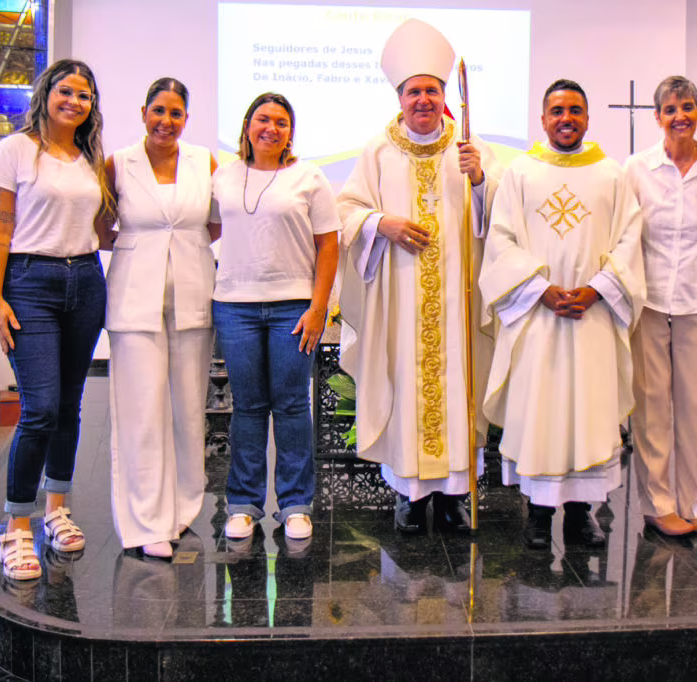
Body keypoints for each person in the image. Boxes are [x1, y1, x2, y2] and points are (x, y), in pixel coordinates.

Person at [337, 18, 500, 534]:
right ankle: (410, 494)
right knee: (405, 386)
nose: (423, 100)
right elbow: (346, 210)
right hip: (400, 298)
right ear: (400, 97)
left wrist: (481, 181)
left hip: (458, 301)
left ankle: (454, 495)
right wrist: (380, 223)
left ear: (444, 95)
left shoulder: (469, 147)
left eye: (432, 90)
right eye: (414, 92)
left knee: (457, 388)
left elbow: (502, 217)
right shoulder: (379, 151)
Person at [480, 79, 645, 550]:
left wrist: (596, 290)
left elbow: (629, 241)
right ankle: (538, 514)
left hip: (592, 316)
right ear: (543, 119)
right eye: (557, 111)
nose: (566, 119)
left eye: (575, 110)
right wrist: (541, 290)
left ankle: (579, 514)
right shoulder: (521, 173)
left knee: (587, 413)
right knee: (542, 413)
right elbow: (501, 240)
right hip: (539, 315)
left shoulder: (612, 175)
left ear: (587, 118)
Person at [0, 59, 111, 580]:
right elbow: (0, 229)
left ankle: (56, 508)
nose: (74, 102)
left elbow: (101, 228)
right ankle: (16, 525)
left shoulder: (89, 157)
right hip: (29, 281)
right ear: (46, 93)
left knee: (67, 406)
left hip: (86, 280)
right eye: (66, 91)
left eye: (84, 95)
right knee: (38, 408)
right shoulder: (14, 150)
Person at [99, 78, 219, 559]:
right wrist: (142, 247)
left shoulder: (205, 162)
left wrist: (181, 246)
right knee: (142, 410)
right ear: (143, 112)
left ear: (186, 118)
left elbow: (216, 222)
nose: (166, 121)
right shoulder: (118, 163)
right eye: (158, 111)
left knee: (188, 408)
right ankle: (146, 521)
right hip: (134, 298)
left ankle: (182, 509)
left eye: (176, 113)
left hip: (193, 294)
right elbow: (100, 227)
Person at [211, 92, 339, 544]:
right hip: (235, 306)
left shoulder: (309, 177)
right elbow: (209, 228)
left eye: (282, 122)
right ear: (247, 126)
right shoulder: (224, 176)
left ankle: (295, 504)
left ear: (291, 133)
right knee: (247, 407)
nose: (271, 128)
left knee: (291, 405)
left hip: (293, 307)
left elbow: (329, 245)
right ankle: (244, 505)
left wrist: (319, 308)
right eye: (263, 119)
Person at [624, 75, 697, 537]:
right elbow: (626, 238)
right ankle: (658, 503)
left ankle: (693, 501)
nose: (680, 116)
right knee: (652, 406)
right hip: (649, 302)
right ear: (657, 117)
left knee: (695, 408)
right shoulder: (637, 169)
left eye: (687, 107)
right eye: (670, 109)